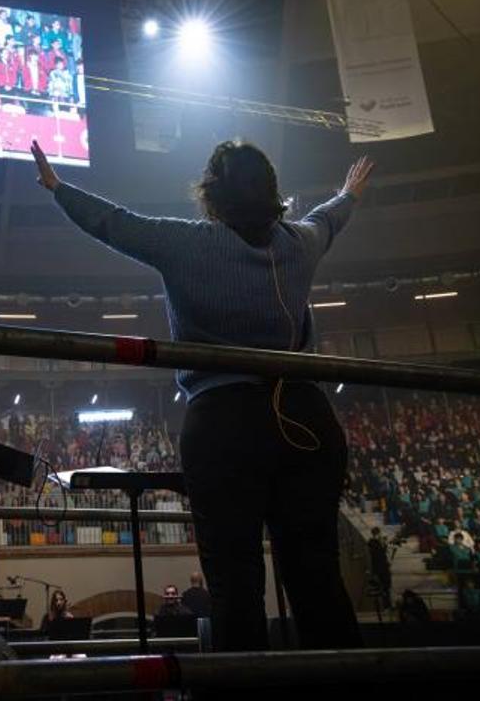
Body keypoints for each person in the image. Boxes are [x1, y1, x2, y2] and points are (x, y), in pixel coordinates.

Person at [29, 138, 374, 652]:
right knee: (317, 577)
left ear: (210, 194)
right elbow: (328, 220)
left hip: (224, 423)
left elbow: (114, 222)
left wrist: (59, 188)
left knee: (234, 585)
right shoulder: (300, 242)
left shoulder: (186, 243)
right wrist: (348, 193)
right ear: (274, 193)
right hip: (305, 419)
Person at [368, 526, 393, 608]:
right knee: (383, 587)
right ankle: (386, 605)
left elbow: (383, 552)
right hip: (379, 568)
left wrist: (383, 544)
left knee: (387, 586)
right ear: (376, 534)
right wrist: (382, 543)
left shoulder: (378, 541)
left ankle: (388, 604)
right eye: (379, 533)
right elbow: (377, 554)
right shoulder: (372, 542)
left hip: (383, 566)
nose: (380, 535)